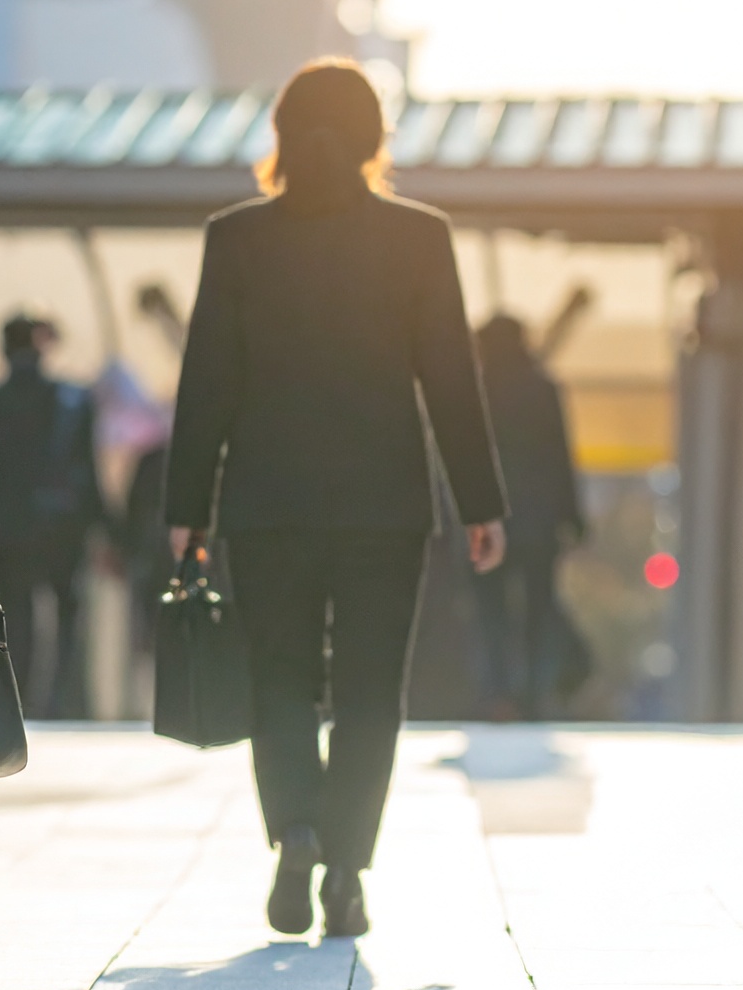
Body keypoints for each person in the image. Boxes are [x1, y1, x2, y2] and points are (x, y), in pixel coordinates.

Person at [165, 58, 508, 939]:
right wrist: (481, 502)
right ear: (373, 139)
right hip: (383, 506)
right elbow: (451, 381)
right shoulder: (418, 236)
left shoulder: (238, 238)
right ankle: (348, 870)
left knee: (277, 678)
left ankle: (299, 831)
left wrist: (187, 509)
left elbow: (208, 380)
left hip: (265, 503)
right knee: (369, 690)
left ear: (279, 135)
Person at [0, 314, 108, 718]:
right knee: (68, 614)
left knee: (14, 614)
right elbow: (88, 473)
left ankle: (17, 702)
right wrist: (109, 529)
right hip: (64, 525)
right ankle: (67, 702)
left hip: (7, 528)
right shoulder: (74, 400)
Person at [470, 315, 584, 719]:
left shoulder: (478, 391)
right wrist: (573, 517)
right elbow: (560, 455)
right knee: (539, 609)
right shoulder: (542, 391)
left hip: (485, 519)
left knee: (491, 612)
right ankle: (534, 691)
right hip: (539, 523)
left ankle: (497, 691)